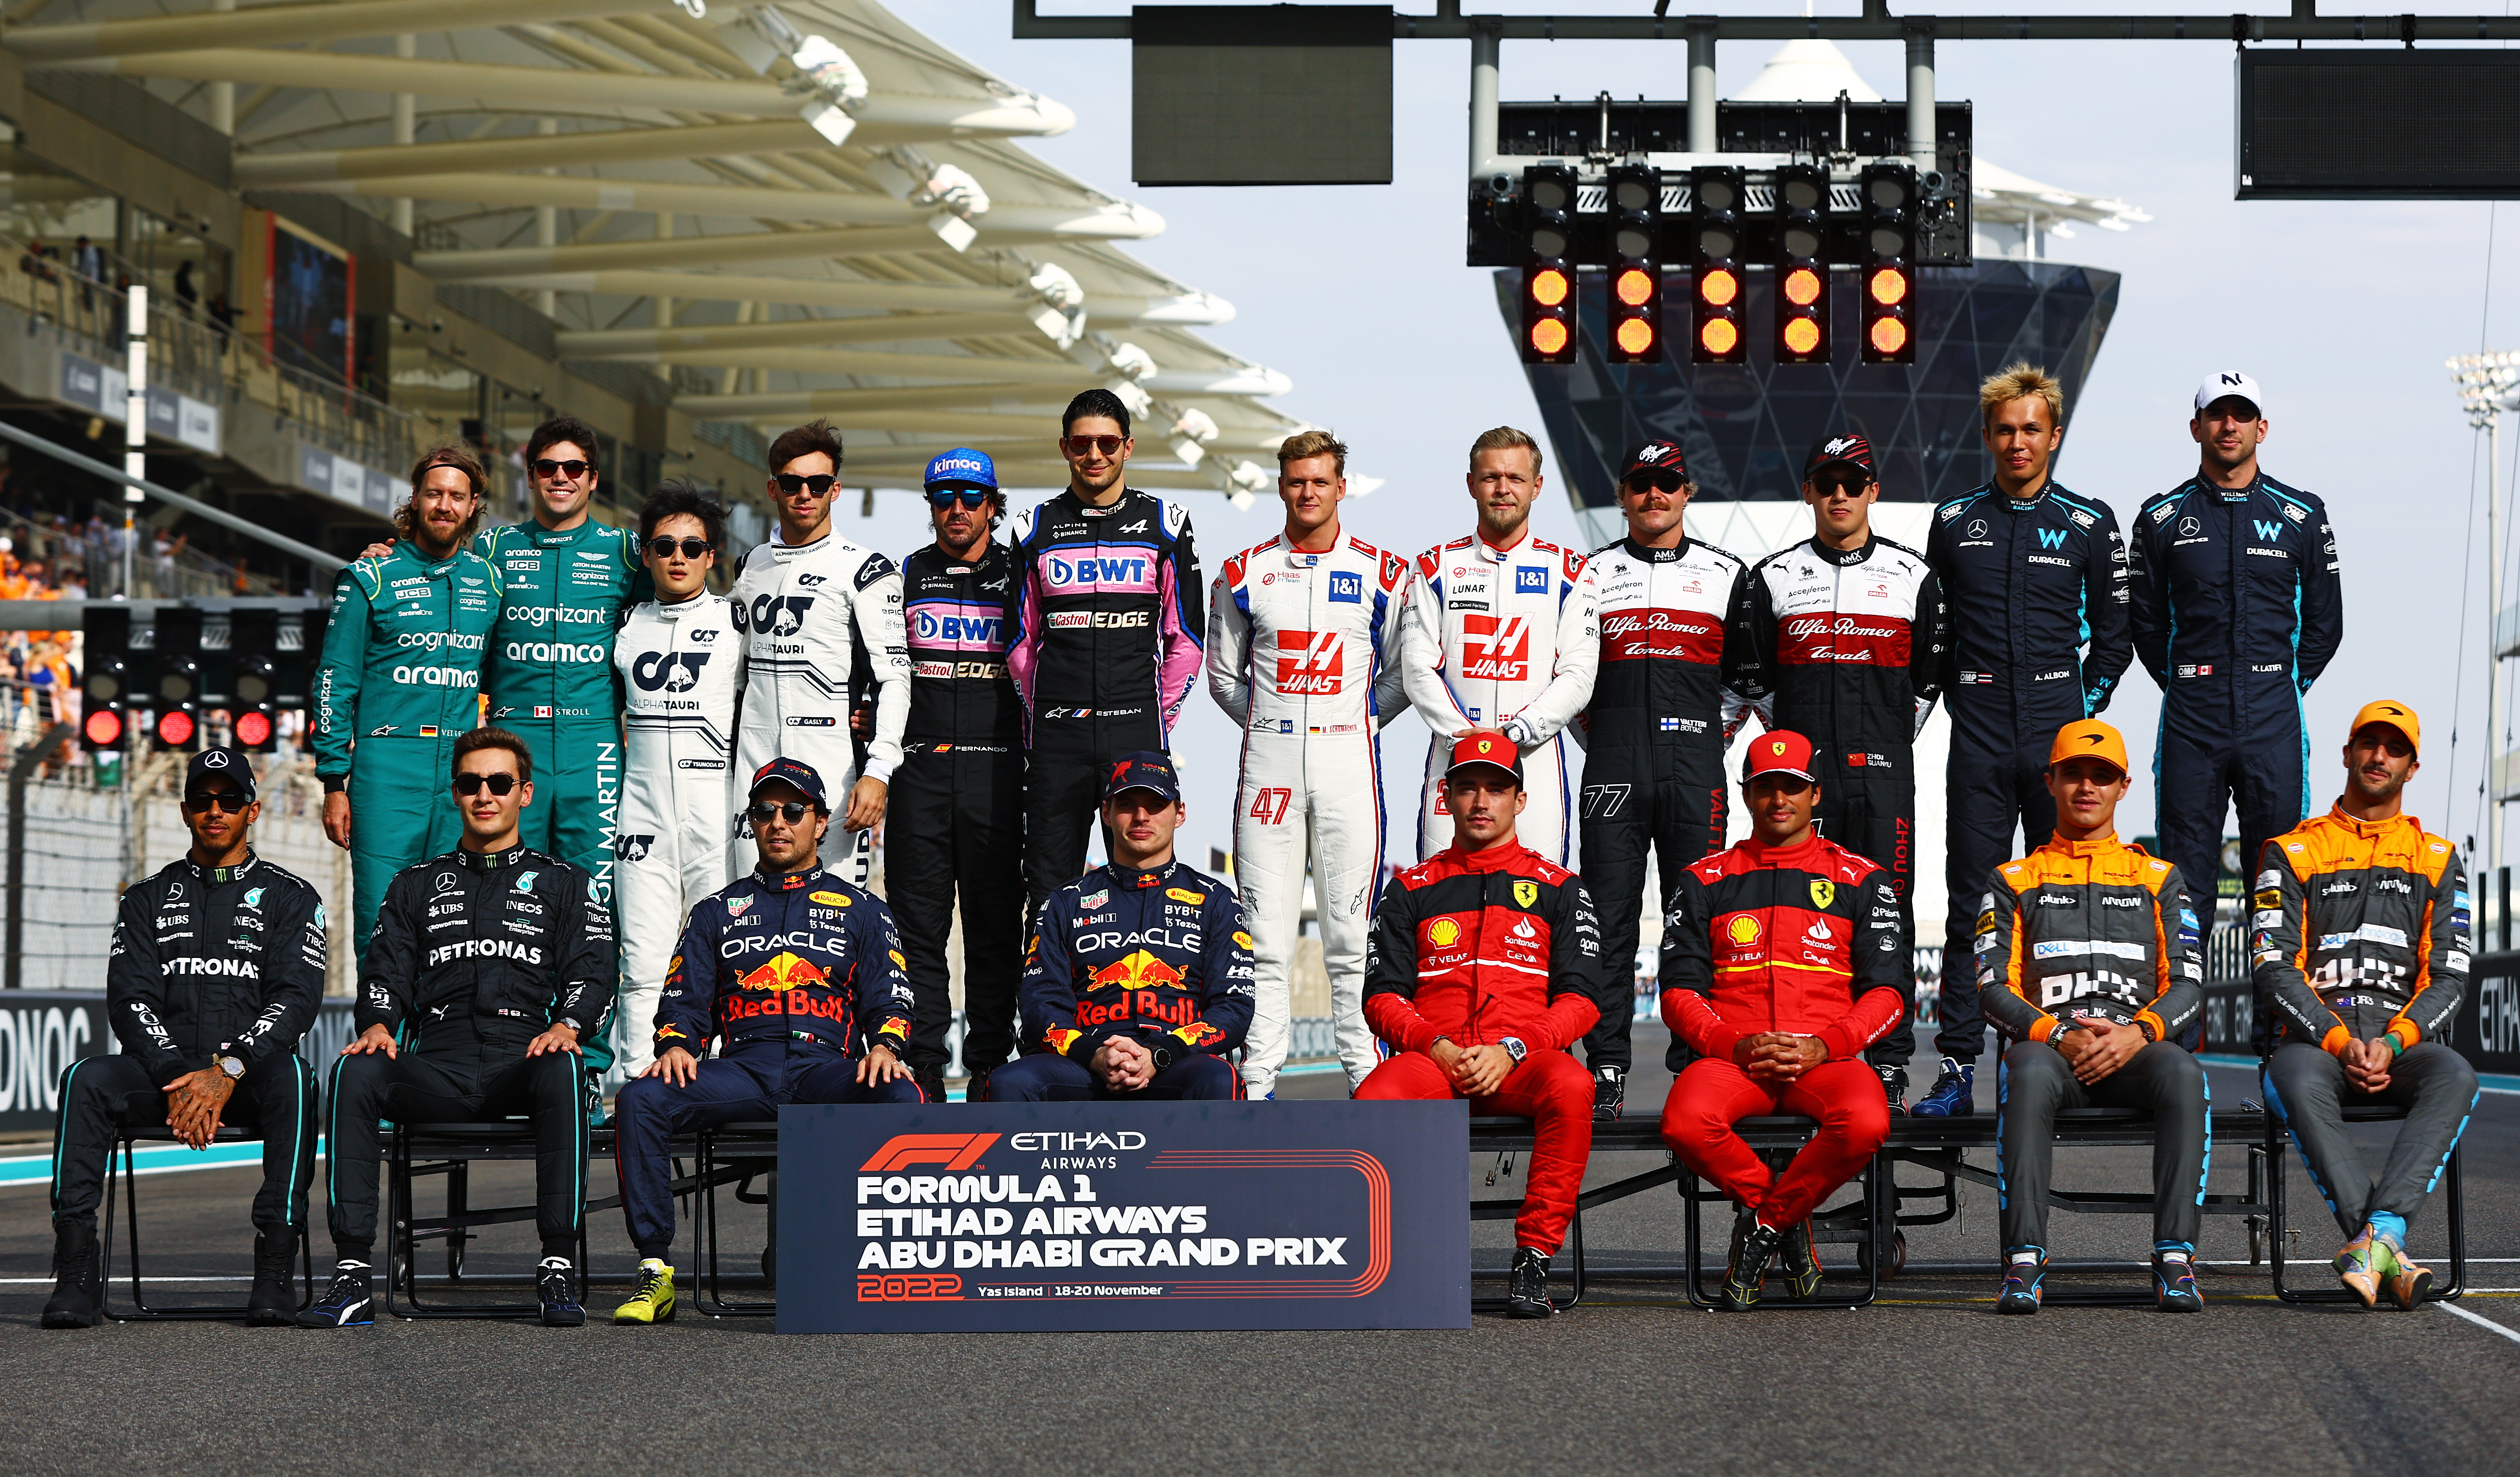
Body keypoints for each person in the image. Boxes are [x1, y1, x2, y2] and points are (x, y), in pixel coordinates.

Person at [302, 728, 615, 1329]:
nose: (484, 795)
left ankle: (557, 1264)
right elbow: (385, 969)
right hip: (437, 1062)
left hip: (521, 1058)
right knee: (354, 1068)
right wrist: (378, 1024)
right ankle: (350, 1275)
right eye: (471, 783)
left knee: (566, 1066)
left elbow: (596, 969)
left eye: (499, 783)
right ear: (455, 794)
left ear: (525, 793)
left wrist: (569, 1024)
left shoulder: (567, 882)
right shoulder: (414, 883)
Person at [608, 757, 923, 1325]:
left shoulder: (863, 909)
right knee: (640, 1098)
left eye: (794, 811)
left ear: (821, 823)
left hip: (825, 1067)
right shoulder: (714, 912)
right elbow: (682, 998)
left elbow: (890, 996)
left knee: (903, 1095)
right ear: (751, 822)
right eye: (765, 811)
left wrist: (886, 1046)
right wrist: (677, 1043)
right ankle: (655, 1269)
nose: (779, 822)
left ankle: (885, 1269)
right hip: (744, 1070)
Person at [43, 749, 326, 1329]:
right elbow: (130, 1000)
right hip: (163, 1073)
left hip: (247, 1074)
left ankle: (275, 1267)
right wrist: (178, 1073)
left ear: (254, 809)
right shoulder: (145, 897)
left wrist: (228, 1070)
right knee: (85, 1079)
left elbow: (296, 999)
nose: (214, 810)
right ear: (184, 811)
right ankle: (75, 1271)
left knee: (297, 1078)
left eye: (228, 800)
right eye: (202, 800)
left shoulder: (293, 897)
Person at [1916, 365, 2133, 1118]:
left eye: (2031, 428)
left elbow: (2116, 636)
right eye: (2005, 429)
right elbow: (1932, 634)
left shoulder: (2088, 521)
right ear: (1988, 436)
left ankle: (2044, 1058)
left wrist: (2080, 715)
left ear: (2054, 435)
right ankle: (1954, 1066)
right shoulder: (1952, 520)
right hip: (1977, 729)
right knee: (1970, 906)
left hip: (2055, 733)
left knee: (2058, 905)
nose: (2017, 442)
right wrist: (1950, 697)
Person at [1356, 731, 1604, 1319]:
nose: (1480, 801)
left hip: (1523, 1061)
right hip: (1434, 1060)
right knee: (1373, 1096)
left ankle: (1535, 1257)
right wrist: (1435, 1046)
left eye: (1496, 788)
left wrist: (1515, 1047)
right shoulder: (1411, 888)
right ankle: (1411, 1256)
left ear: (1520, 799)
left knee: (1572, 1085)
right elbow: (1381, 998)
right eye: (1466, 788)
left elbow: (1583, 999)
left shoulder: (1560, 889)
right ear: (1446, 796)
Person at [1658, 728, 1905, 1309]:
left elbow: (1889, 994)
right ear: (1745, 794)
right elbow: (1677, 993)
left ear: (1815, 794)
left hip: (1823, 1057)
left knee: (1867, 1121)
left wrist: (1826, 1045)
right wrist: (1733, 1045)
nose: (1778, 800)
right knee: (1685, 1122)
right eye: (1765, 787)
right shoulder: (1703, 879)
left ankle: (1762, 1225)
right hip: (1735, 1059)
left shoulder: (1862, 878)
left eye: (1791, 788)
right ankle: (1788, 1225)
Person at [1739, 433, 1947, 1113]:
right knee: (1798, 916)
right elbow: (1757, 686)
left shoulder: (1913, 576)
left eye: (1851, 483)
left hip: (1883, 775)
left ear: (1872, 492)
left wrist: (1883, 738)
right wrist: (1799, 749)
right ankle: (1799, 1047)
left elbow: (1925, 684)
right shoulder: (1770, 576)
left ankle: (1887, 1061)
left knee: (1886, 916)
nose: (1838, 495)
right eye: (1825, 483)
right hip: (1803, 782)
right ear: (1807, 492)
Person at [1977, 719, 2207, 1314]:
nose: (2087, 787)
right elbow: (1990, 987)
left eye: (2101, 776)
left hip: (2134, 1053)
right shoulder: (2012, 879)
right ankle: (2023, 1260)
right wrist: (2058, 1034)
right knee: (2023, 1068)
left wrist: (2137, 1034)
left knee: (2183, 1072)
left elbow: (2188, 983)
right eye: (2073, 773)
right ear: (2049, 780)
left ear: (2123, 786)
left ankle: (2175, 1258)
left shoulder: (2158, 877)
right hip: (2051, 1054)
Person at [2255, 700, 2477, 1310]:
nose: (2379, 756)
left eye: (2394, 748)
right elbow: (2273, 967)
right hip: (2314, 1047)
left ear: (2412, 766)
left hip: (2401, 1044)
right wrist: (2334, 1038)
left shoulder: (2436, 857)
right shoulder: (2290, 851)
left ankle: (2373, 1240)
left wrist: (2397, 1039)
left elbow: (2450, 973)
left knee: (2456, 1074)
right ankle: (2386, 1244)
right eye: (2368, 743)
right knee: (2290, 1080)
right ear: (2347, 753)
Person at [1207, 430, 1408, 1098]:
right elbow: (1223, 678)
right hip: (1268, 768)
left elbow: (1402, 677)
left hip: (1349, 762)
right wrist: (1272, 724)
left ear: (1341, 485)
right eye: (1296, 481)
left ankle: (1369, 1085)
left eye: (1320, 481)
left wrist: (1352, 726)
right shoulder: (1242, 573)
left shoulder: (1385, 572)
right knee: (1263, 940)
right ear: (1280, 484)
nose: (1308, 493)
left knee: (1352, 941)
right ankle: (1257, 1086)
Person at [1574, 439, 1754, 1120]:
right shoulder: (1586, 573)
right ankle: (1608, 1068)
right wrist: (1607, 735)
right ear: (1623, 494)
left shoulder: (1726, 573)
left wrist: (1713, 736)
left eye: (1667, 482)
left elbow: (1745, 683)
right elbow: (1573, 679)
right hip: (1613, 766)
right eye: (1640, 482)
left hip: (1694, 769)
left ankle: (1695, 1064)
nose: (1654, 494)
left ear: (1688, 491)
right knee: (1608, 922)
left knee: (1696, 924)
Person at [2130, 371, 2343, 943]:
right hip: (2191, 716)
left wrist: (2281, 684)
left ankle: (2278, 1035)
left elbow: (2326, 624)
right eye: (2217, 415)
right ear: (2196, 427)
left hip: (2274, 714)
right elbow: (2144, 625)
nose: (2230, 426)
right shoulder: (2159, 516)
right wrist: (2188, 681)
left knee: (2276, 885)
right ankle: (2181, 1033)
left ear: (2262, 428)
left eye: (2241, 415)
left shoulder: (2301, 513)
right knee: (2184, 883)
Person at [1006, 389, 1205, 921]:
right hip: (1056, 739)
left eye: (1107, 443)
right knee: (1048, 891)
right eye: (1081, 443)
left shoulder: (1167, 521)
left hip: (1134, 733)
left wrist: (1154, 715)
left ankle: (1142, 1000)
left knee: (1142, 879)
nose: (1094, 454)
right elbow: (1019, 645)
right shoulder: (1032, 526)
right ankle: (1048, 1005)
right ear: (1065, 449)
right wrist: (1042, 712)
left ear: (1128, 447)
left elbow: (1185, 638)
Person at [316, 443, 502, 950]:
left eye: (456, 497)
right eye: (434, 494)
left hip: (461, 779)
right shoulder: (369, 577)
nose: (444, 506)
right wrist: (334, 780)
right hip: (387, 771)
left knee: (453, 932)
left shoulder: (488, 580)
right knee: (383, 927)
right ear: (415, 500)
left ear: (472, 506)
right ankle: (380, 1030)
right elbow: (334, 680)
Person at [995, 752, 1253, 1101]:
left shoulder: (1216, 901)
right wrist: (1095, 1055)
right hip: (1087, 1062)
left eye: (1156, 804)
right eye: (1127, 804)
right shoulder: (1065, 902)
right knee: (1010, 1083)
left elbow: (1234, 1008)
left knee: (1218, 1079)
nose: (1141, 816)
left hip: (1176, 1060)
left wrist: (1159, 1055)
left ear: (1180, 814)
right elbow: (1040, 1004)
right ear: (1106, 813)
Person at [890, 448, 1024, 1105]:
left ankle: (989, 1066)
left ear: (993, 506)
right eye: (943, 498)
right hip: (921, 770)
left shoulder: (1021, 572)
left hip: (998, 771)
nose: (958, 510)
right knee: (918, 930)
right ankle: (922, 1068)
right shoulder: (905, 575)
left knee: (993, 931)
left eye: (972, 497)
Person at [1400, 427, 1599, 866]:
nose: (1503, 489)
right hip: (1453, 759)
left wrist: (1515, 735)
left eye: (1515, 477)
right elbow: (1416, 667)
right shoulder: (1435, 566)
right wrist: (1462, 734)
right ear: (1471, 483)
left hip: (1535, 759)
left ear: (1537, 486)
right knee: (1442, 897)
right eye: (1491, 477)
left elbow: (1579, 674)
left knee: (1540, 900)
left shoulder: (1571, 571)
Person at [730, 420, 910, 888]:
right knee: (747, 914)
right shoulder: (750, 567)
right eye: (792, 483)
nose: (805, 493)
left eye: (818, 483)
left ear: (836, 490)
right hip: (753, 771)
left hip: (834, 769)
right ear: (773, 488)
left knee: (834, 921)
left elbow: (895, 679)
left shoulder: (867, 569)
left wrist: (879, 771)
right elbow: (732, 676)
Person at [610, 481, 746, 1082]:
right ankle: (636, 1083)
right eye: (664, 545)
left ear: (712, 556)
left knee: (717, 956)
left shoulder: (735, 620)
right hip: (641, 820)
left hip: (714, 815)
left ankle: (718, 1076)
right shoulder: (625, 622)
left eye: (694, 546)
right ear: (646, 553)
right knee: (642, 961)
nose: (678, 557)